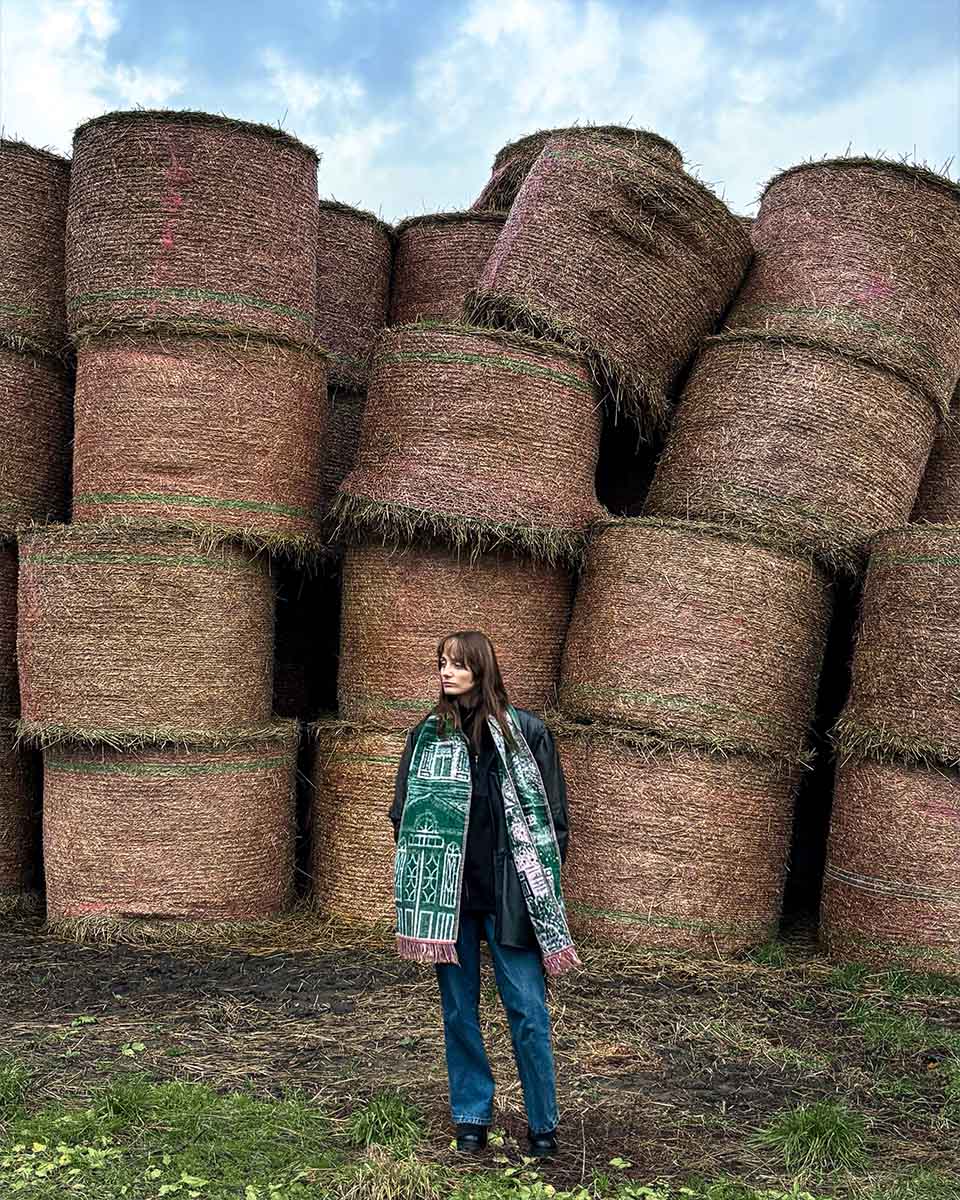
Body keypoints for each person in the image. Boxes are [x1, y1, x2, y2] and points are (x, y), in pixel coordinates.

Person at [388, 629, 580, 1159]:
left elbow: (554, 821)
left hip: (511, 898)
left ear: (481, 669)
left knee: (528, 1010)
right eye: (441, 663)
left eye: (457, 664)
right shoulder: (426, 736)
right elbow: (403, 812)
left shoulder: (528, 733)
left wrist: (535, 884)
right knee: (458, 1012)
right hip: (448, 900)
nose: (445, 673)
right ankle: (471, 1117)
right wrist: (429, 867)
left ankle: (542, 1123)